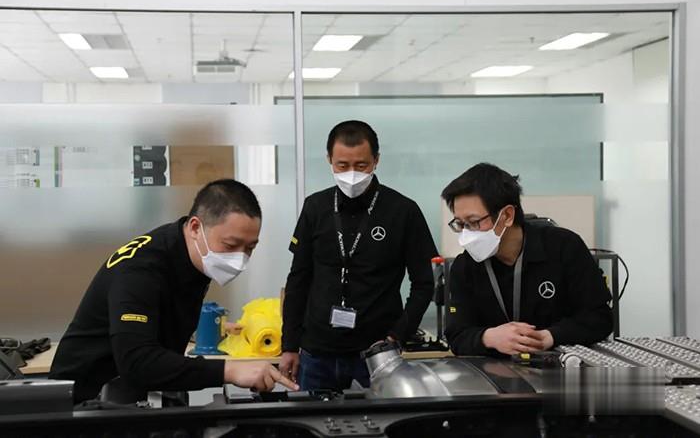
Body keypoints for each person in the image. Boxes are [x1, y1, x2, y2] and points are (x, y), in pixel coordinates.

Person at [50, 179, 297, 403]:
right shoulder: (141, 270)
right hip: (81, 404)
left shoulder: (190, 255)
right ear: (195, 228)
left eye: (250, 248)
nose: (240, 258)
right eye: (231, 245)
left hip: (129, 395)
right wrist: (229, 370)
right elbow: (137, 361)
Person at [280, 120, 437, 390]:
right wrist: (289, 345)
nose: (351, 174)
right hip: (317, 352)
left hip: (377, 352)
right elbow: (298, 279)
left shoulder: (403, 211)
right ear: (329, 160)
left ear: (376, 160)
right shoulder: (315, 207)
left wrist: (397, 336)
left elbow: (425, 282)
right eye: (342, 165)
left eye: (361, 165)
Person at [442, 163, 613, 356]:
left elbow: (600, 318)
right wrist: (489, 337)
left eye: (473, 222)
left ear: (507, 215)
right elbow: (457, 335)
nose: (467, 234)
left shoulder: (564, 247)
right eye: (460, 224)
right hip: (492, 370)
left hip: (560, 365)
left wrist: (550, 336)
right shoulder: (465, 267)